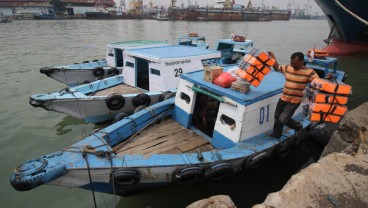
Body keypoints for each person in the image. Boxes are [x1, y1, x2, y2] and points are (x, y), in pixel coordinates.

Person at [267, 51, 319, 138]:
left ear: (302, 61)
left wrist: (329, 78)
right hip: (283, 98)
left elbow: (318, 83)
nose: (293, 65)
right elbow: (277, 68)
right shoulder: (288, 67)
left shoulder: (309, 72)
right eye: (292, 63)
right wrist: (272, 56)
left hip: (294, 101)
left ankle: (298, 126)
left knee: (283, 119)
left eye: (295, 63)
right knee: (277, 117)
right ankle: (276, 134)